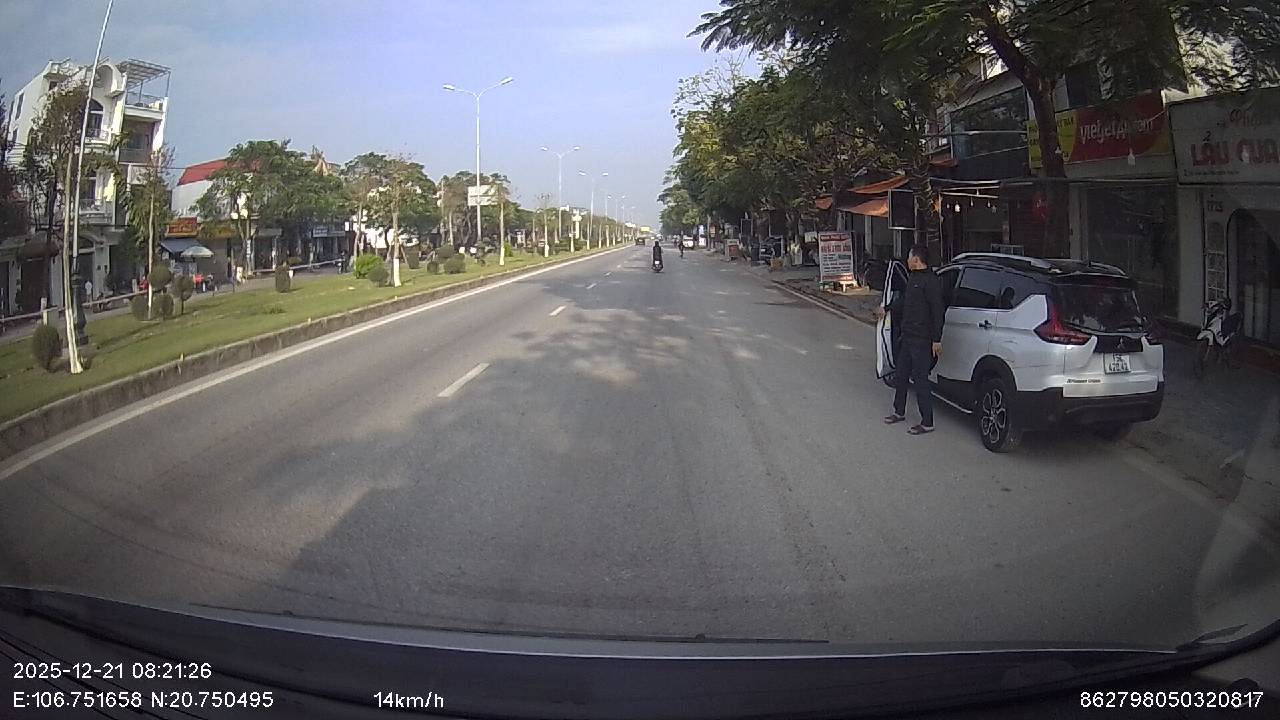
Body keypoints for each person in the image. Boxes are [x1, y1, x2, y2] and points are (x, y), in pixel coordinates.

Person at [875, 244, 944, 435]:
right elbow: (904, 301)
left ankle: (927, 421)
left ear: (916, 260)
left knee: (921, 380)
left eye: (909, 257)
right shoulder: (913, 277)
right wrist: (886, 308)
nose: (907, 260)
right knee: (901, 374)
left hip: (923, 339)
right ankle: (899, 411)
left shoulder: (931, 282)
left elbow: (938, 312)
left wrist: (936, 339)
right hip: (908, 336)